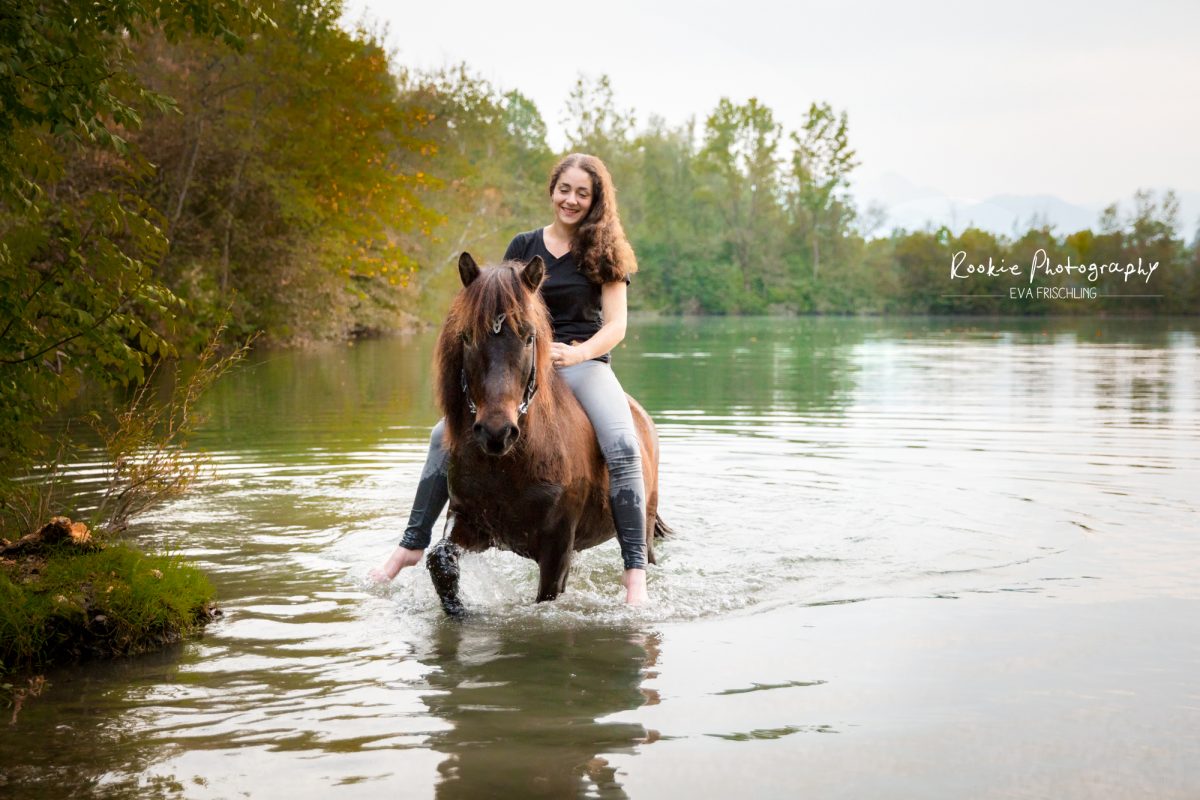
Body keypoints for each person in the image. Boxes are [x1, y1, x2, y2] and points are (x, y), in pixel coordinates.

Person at [369, 153, 650, 604]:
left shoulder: (606, 252)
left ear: (595, 199)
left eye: (582, 193)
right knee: (442, 434)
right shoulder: (523, 244)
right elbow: (496, 310)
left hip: (582, 364)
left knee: (622, 444)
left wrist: (579, 352)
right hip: (522, 365)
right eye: (564, 189)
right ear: (552, 190)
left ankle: (635, 572)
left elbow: (617, 325)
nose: (571, 200)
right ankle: (411, 545)